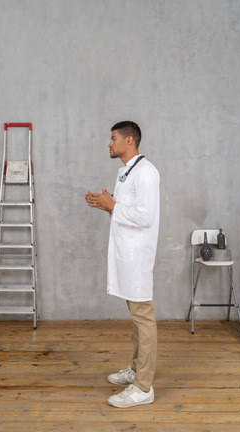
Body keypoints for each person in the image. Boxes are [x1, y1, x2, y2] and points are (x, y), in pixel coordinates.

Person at [84, 121, 160, 408]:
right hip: (126, 255)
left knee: (144, 319)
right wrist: (108, 205)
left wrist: (113, 206)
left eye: (113, 138)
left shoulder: (146, 173)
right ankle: (136, 370)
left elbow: (146, 217)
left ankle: (144, 387)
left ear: (129, 140)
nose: (109, 143)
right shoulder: (125, 173)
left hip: (137, 257)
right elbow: (125, 214)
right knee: (136, 317)